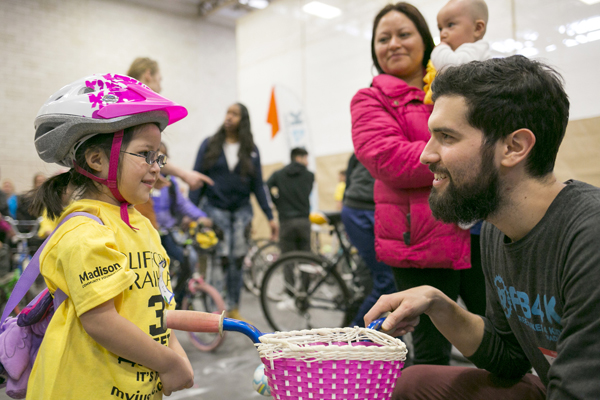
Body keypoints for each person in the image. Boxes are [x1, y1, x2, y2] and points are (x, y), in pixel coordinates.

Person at [365, 55, 600, 399]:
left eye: (446, 136)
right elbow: (508, 358)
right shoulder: (497, 228)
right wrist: (438, 304)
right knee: (413, 383)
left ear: (513, 147)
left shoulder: (589, 236)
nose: (425, 155)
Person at [27, 73, 193, 397]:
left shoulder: (142, 226)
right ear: (97, 160)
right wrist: (169, 364)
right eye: (145, 154)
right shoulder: (84, 232)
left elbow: (159, 305)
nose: (157, 167)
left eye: (159, 157)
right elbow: (101, 321)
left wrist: (176, 353)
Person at [350, 2, 472, 366]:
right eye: (383, 38)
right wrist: (466, 154)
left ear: (426, 39)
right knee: (432, 350)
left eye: (404, 34)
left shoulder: (454, 87)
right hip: (419, 239)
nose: (393, 44)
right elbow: (391, 161)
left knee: (500, 335)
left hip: (477, 231)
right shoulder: (370, 98)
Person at [189, 103, 277, 320]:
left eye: (234, 114)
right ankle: (216, 310)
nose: (229, 117)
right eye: (227, 112)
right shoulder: (209, 144)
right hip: (215, 210)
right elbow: (196, 179)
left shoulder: (251, 150)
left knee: (237, 260)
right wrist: (190, 213)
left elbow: (258, 185)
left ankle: (233, 305)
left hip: (242, 212)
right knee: (220, 259)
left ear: (243, 120)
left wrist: (269, 216)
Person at [126, 57, 214, 229]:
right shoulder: (136, 105)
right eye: (160, 80)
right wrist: (183, 174)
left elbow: (143, 155)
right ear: (148, 75)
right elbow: (147, 154)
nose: (161, 87)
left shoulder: (129, 104)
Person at [152, 142, 212, 307]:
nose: (157, 164)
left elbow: (183, 205)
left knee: (189, 258)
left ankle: (178, 297)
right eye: (154, 155)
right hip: (151, 233)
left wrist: (201, 217)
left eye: (162, 158)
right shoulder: (145, 181)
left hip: (169, 232)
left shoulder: (171, 183)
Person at [341, 154, 397, 327]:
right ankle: (353, 335)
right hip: (361, 212)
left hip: (366, 210)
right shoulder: (367, 147)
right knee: (386, 281)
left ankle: (393, 338)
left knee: (386, 280)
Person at [423, 0, 491, 104]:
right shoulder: (467, 51)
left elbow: (452, 69)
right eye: (440, 28)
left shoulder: (475, 49)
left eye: (450, 25)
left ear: (477, 28)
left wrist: (439, 49)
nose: (443, 34)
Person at [266, 147, 314, 254]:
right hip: (303, 220)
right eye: (306, 158)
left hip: (285, 220)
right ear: (298, 158)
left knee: (287, 258)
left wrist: (277, 201)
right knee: (305, 256)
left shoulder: (278, 174)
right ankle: (305, 271)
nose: (307, 162)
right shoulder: (309, 175)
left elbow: (266, 187)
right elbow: (308, 192)